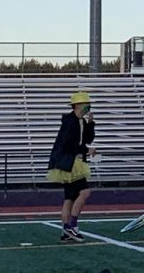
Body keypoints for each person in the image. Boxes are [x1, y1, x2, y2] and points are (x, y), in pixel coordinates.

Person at [47, 91, 96, 243]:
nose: (87, 107)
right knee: (85, 192)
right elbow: (69, 145)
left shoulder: (79, 121)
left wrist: (90, 123)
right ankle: (72, 225)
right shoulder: (70, 122)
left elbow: (87, 139)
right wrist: (86, 150)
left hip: (73, 162)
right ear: (77, 105)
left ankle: (65, 230)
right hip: (70, 162)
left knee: (69, 198)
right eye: (85, 104)